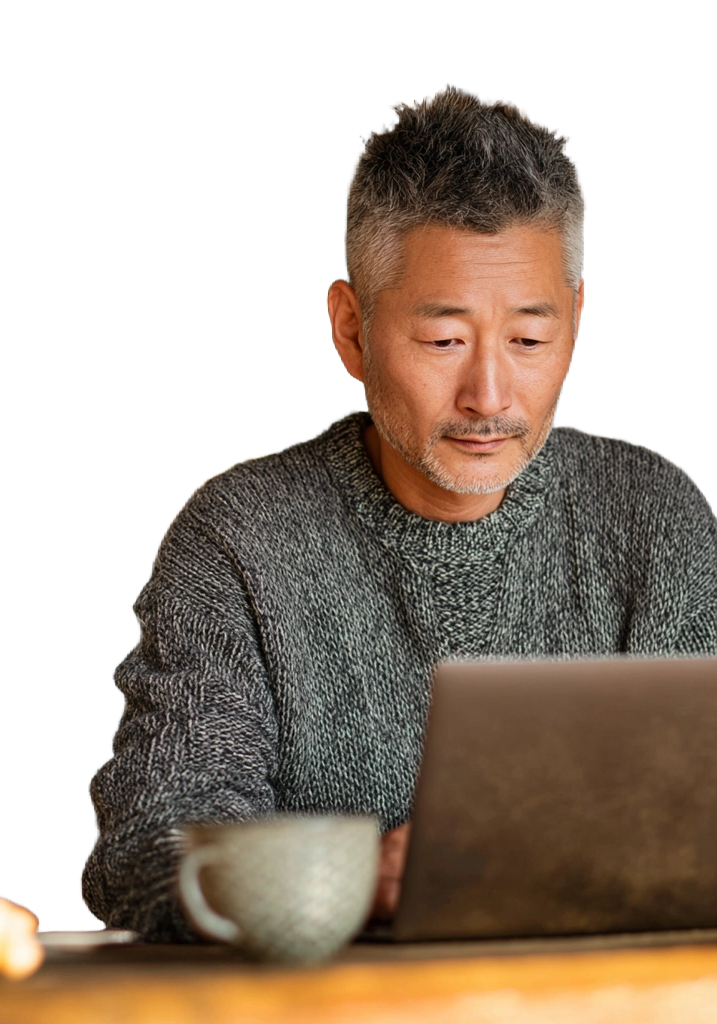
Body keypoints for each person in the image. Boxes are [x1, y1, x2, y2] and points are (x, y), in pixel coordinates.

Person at [83, 93, 717, 940]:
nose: (489, 397)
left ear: (570, 322)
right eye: (443, 341)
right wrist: (355, 878)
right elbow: (144, 859)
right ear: (351, 330)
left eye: (528, 341)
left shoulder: (655, 518)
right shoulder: (239, 539)